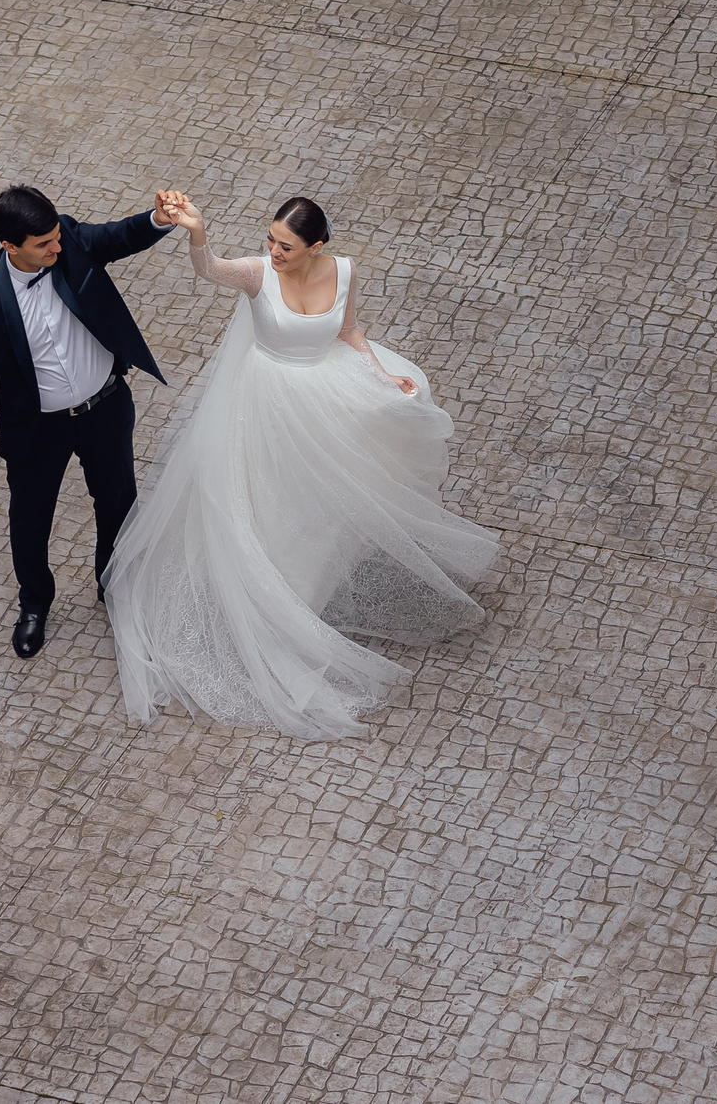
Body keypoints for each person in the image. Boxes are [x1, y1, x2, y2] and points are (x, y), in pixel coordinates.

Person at [101, 193, 498, 740]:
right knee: (271, 506)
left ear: (317, 246)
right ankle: (273, 613)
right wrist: (196, 230)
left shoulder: (344, 271)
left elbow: (349, 330)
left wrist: (382, 376)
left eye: (285, 245)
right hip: (266, 404)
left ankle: (302, 601)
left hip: (324, 400)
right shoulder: (258, 274)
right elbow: (209, 269)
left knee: (322, 510)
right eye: (270, 240)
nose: (274, 251)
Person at [0, 185, 182, 658]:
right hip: (37, 430)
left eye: (57, 237)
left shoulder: (69, 240)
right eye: (44, 244)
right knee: (31, 519)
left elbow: (118, 237)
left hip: (106, 407)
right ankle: (35, 602)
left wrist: (158, 220)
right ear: (10, 246)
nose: (56, 248)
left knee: (117, 501)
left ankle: (112, 585)